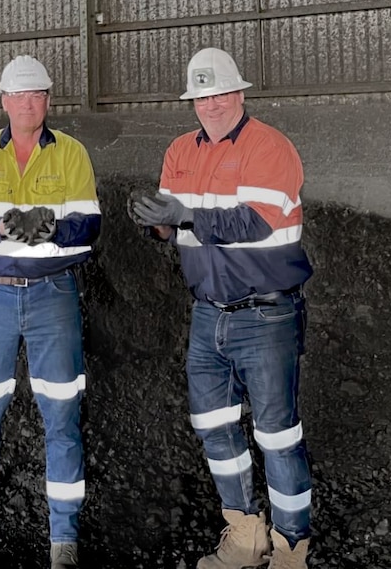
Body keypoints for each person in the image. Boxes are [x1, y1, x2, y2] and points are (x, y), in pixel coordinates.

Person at [128, 47, 313, 569]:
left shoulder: (269, 147)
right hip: (208, 313)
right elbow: (173, 226)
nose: (209, 105)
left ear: (238, 93)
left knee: (277, 435)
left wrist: (185, 212)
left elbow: (252, 221)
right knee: (215, 426)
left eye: (217, 94)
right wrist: (156, 220)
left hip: (266, 314)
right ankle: (246, 536)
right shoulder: (179, 150)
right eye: (199, 97)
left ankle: (291, 551)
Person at [0, 55, 101, 569]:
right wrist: (4, 227)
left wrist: (53, 228)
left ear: (48, 101)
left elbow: (90, 226)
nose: (29, 104)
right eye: (20, 95)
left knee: (61, 416)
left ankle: (63, 543)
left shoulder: (71, 154)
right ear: (4, 100)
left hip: (53, 297)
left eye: (38, 95)